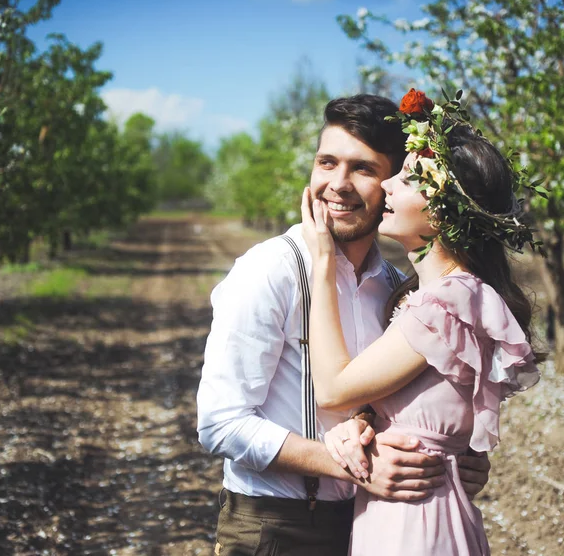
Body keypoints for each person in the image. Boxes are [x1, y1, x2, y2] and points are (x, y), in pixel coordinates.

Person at [197, 94, 491, 556]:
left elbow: (409, 402)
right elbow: (221, 423)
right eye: (326, 162)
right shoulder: (269, 270)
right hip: (278, 527)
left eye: (363, 169)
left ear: (394, 186)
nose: (337, 184)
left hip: (375, 524)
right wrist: (351, 464)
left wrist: (459, 459)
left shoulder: (399, 289)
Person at [300, 89, 541, 555]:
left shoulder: (446, 303)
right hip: (408, 510)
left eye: (408, 180)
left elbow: (331, 388)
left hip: (415, 525)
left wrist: (323, 263)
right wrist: (365, 422)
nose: (387, 185)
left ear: (444, 209)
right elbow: (426, 409)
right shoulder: (442, 296)